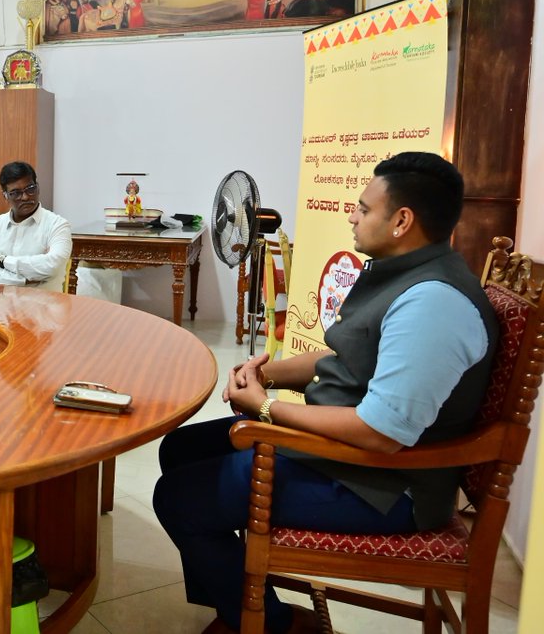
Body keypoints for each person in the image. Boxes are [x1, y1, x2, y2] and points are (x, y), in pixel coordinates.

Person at [153, 152, 498, 634]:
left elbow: (380, 433)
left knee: (178, 498)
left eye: (363, 208)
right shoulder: (400, 273)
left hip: (382, 485)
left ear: (402, 221)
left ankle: (270, 625)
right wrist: (267, 373)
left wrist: (266, 409)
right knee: (180, 447)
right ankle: (233, 599)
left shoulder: (433, 303)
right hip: (342, 456)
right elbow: (345, 357)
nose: (352, 215)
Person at [0, 161, 72, 292]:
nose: (25, 197)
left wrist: (3, 262)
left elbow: (52, 266)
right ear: (5, 196)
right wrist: (24, 280)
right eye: (16, 193)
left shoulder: (58, 225)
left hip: (43, 308)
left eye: (30, 189)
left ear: (38, 187)